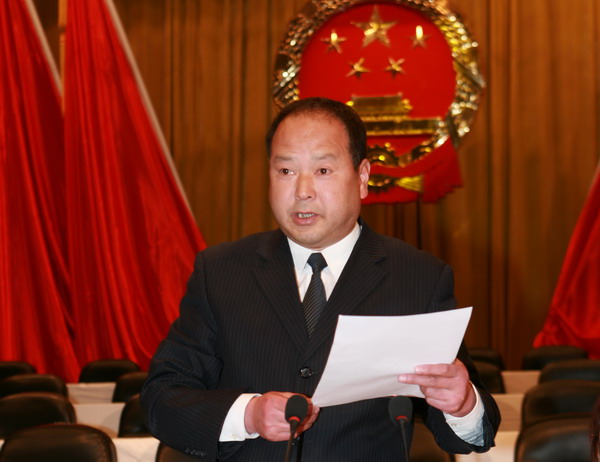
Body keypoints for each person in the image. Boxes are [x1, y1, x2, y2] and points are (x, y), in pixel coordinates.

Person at [141, 97, 500, 461]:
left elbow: (467, 436)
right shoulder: (221, 271)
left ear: (363, 177)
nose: (302, 191)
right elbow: (162, 399)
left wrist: (462, 403)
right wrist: (248, 414)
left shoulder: (418, 277)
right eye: (286, 171)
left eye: (323, 170)